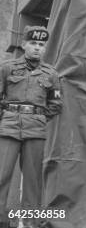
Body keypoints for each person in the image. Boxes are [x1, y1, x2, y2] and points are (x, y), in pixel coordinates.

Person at [0, 26, 62, 226]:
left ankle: (31, 223)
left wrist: (39, 117)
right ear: (24, 44)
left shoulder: (51, 74)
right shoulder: (7, 68)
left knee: (33, 181)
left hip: (35, 128)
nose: (37, 48)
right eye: (33, 43)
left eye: (41, 44)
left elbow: (56, 104)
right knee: (1, 175)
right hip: (9, 126)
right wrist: (6, 116)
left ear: (44, 48)